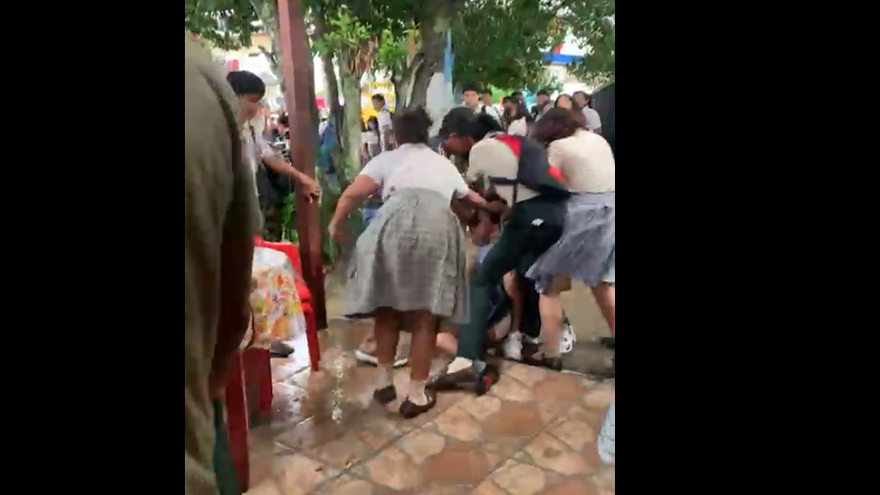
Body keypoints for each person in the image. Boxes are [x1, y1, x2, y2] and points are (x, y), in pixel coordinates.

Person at [329, 107, 491, 418]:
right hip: (437, 227)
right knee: (425, 315)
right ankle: (416, 395)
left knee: (386, 309)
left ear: (396, 136)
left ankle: (384, 382)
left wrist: (334, 225)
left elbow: (351, 195)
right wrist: (494, 209)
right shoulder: (442, 163)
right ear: (426, 135)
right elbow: (471, 198)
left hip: (393, 222)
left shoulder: (386, 159)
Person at [430, 108, 568, 394]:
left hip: (529, 217)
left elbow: (476, 198)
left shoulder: (481, 150)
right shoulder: (513, 142)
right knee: (533, 280)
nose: (447, 146)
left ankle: (466, 360)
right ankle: (535, 339)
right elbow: (502, 199)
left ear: (460, 136)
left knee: (482, 279)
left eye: (448, 140)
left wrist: (460, 199)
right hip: (557, 217)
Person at [186, 37, 259, 495]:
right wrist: (214, 374)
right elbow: (234, 286)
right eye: (254, 102)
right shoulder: (201, 76)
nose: (256, 110)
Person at [526, 108, 616, 370]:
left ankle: (550, 353)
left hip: (581, 212)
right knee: (602, 283)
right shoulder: (597, 139)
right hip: (612, 209)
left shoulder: (558, 147)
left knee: (548, 285)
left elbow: (545, 184)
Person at [226, 71, 320, 242]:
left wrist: (302, 178)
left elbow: (268, 156)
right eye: (253, 101)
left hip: (251, 202)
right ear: (233, 98)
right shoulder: (217, 133)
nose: (257, 108)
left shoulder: (250, 130)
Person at [436, 193, 523, 358]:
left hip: (496, 322)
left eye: (476, 223)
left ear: (491, 224)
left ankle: (475, 360)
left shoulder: (498, 251)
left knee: (439, 338)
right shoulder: (484, 249)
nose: (471, 230)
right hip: (488, 317)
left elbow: (513, 292)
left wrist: (514, 334)